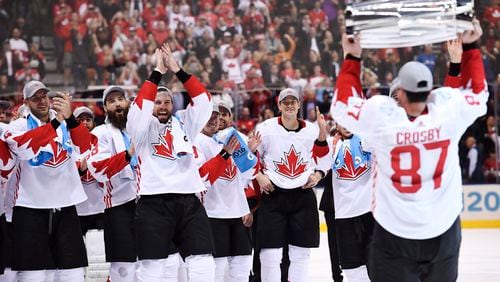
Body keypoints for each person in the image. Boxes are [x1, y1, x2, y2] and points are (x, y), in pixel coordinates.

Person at [330, 20, 486, 282]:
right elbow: (477, 93)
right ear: (429, 92)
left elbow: (343, 103)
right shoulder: (446, 115)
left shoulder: (382, 121)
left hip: (395, 231)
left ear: (400, 94)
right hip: (442, 228)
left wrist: (352, 57)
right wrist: (470, 47)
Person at [127, 44, 216, 281]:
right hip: (153, 201)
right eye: (158, 102)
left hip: (188, 198)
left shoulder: (185, 122)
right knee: (152, 267)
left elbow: (205, 102)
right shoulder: (141, 128)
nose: (163, 106)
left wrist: (178, 70)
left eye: (167, 102)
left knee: (203, 262)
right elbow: (138, 109)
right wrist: (157, 71)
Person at [3, 81, 94, 281]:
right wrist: (56, 123)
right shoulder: (17, 127)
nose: (42, 101)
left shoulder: (65, 122)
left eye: (44, 96)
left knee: (74, 272)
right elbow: (25, 146)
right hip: (30, 205)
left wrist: (69, 118)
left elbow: (85, 145)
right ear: (26, 102)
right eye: (35, 98)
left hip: (65, 203)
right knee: (32, 274)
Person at [254, 88, 327, 282]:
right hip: (273, 194)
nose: (289, 105)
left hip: (302, 195)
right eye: (285, 101)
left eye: (293, 101)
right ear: (278, 105)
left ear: (299, 105)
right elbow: (250, 154)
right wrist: (258, 175)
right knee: (270, 255)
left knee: (301, 254)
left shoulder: (312, 130)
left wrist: (319, 174)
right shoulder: (265, 128)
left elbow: (324, 157)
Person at [195, 101, 260, 281]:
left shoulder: (234, 138)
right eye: (211, 116)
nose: (215, 119)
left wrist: (251, 153)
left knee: (242, 263)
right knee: (218, 266)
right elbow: (203, 179)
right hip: (212, 213)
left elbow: (248, 176)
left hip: (237, 213)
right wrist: (225, 154)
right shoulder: (196, 142)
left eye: (218, 116)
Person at [87, 86, 139, 282]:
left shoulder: (138, 129)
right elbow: (98, 169)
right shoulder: (101, 133)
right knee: (123, 268)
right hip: (118, 204)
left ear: (127, 103)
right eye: (111, 101)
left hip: (147, 202)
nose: (117, 103)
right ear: (105, 108)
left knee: (150, 261)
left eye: (120, 99)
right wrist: (127, 155)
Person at [315, 118, 374, 282]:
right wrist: (322, 131)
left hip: (369, 213)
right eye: (344, 121)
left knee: (376, 264)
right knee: (350, 266)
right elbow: (320, 161)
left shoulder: (367, 139)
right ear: (337, 124)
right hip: (344, 215)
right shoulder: (331, 144)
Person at [73, 107, 105, 236]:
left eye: (88, 119)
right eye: (80, 120)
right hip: (77, 209)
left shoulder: (102, 142)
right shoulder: (69, 143)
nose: (85, 123)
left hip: (101, 208)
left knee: (100, 251)